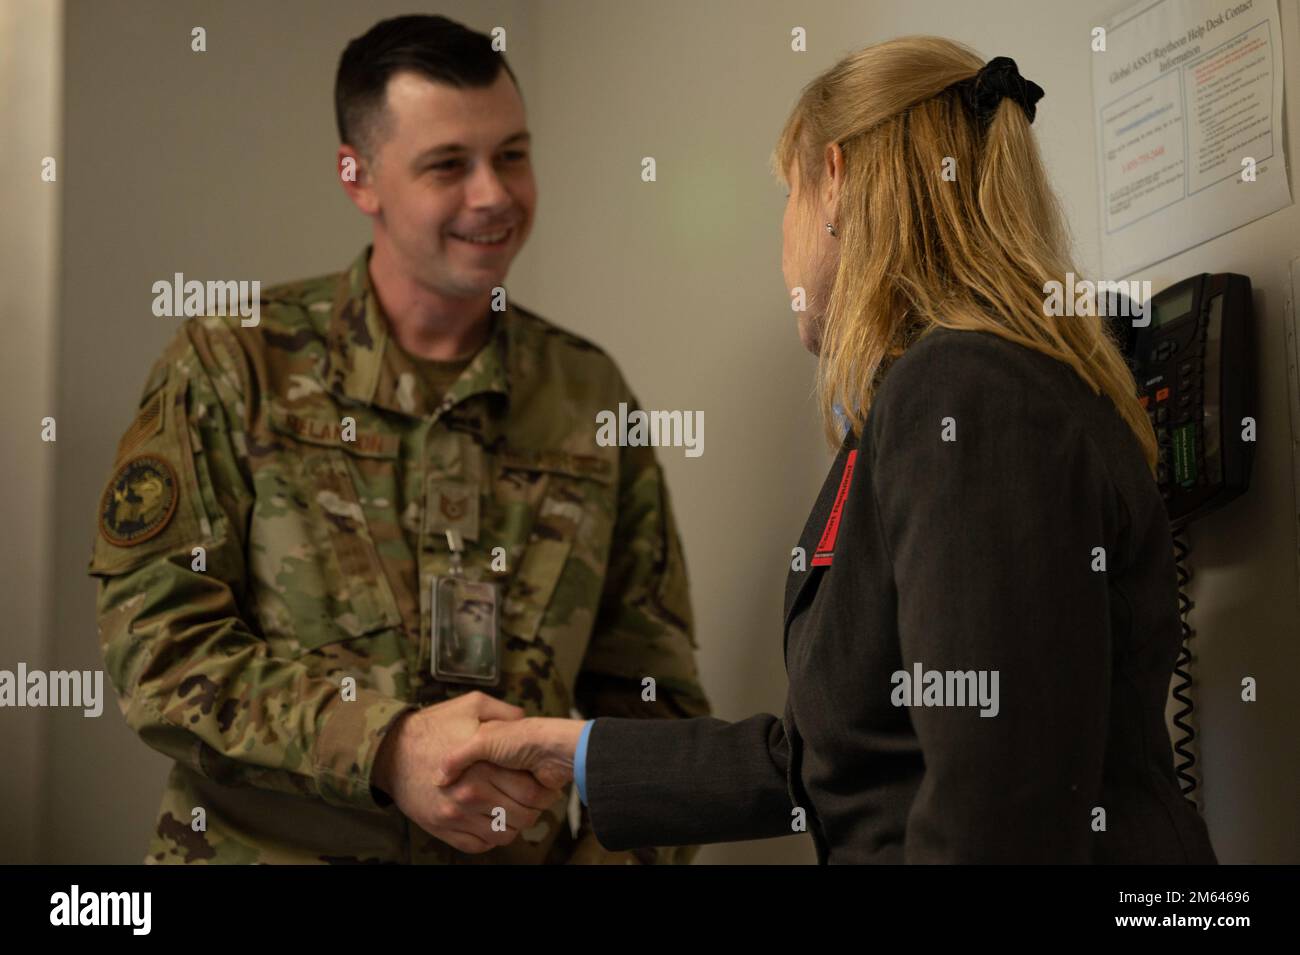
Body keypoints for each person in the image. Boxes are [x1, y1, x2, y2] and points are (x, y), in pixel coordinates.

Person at [433, 37, 1221, 864]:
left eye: (788, 191)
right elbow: (838, 755)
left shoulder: (963, 391)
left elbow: (1000, 807)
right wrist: (575, 750)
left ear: (836, 182)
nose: (782, 233)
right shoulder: (945, 395)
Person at [87, 14, 710, 865]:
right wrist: (384, 746)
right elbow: (160, 652)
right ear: (360, 177)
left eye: (514, 155)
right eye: (448, 165)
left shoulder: (587, 393)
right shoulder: (232, 367)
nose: (493, 194)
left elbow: (652, 703)